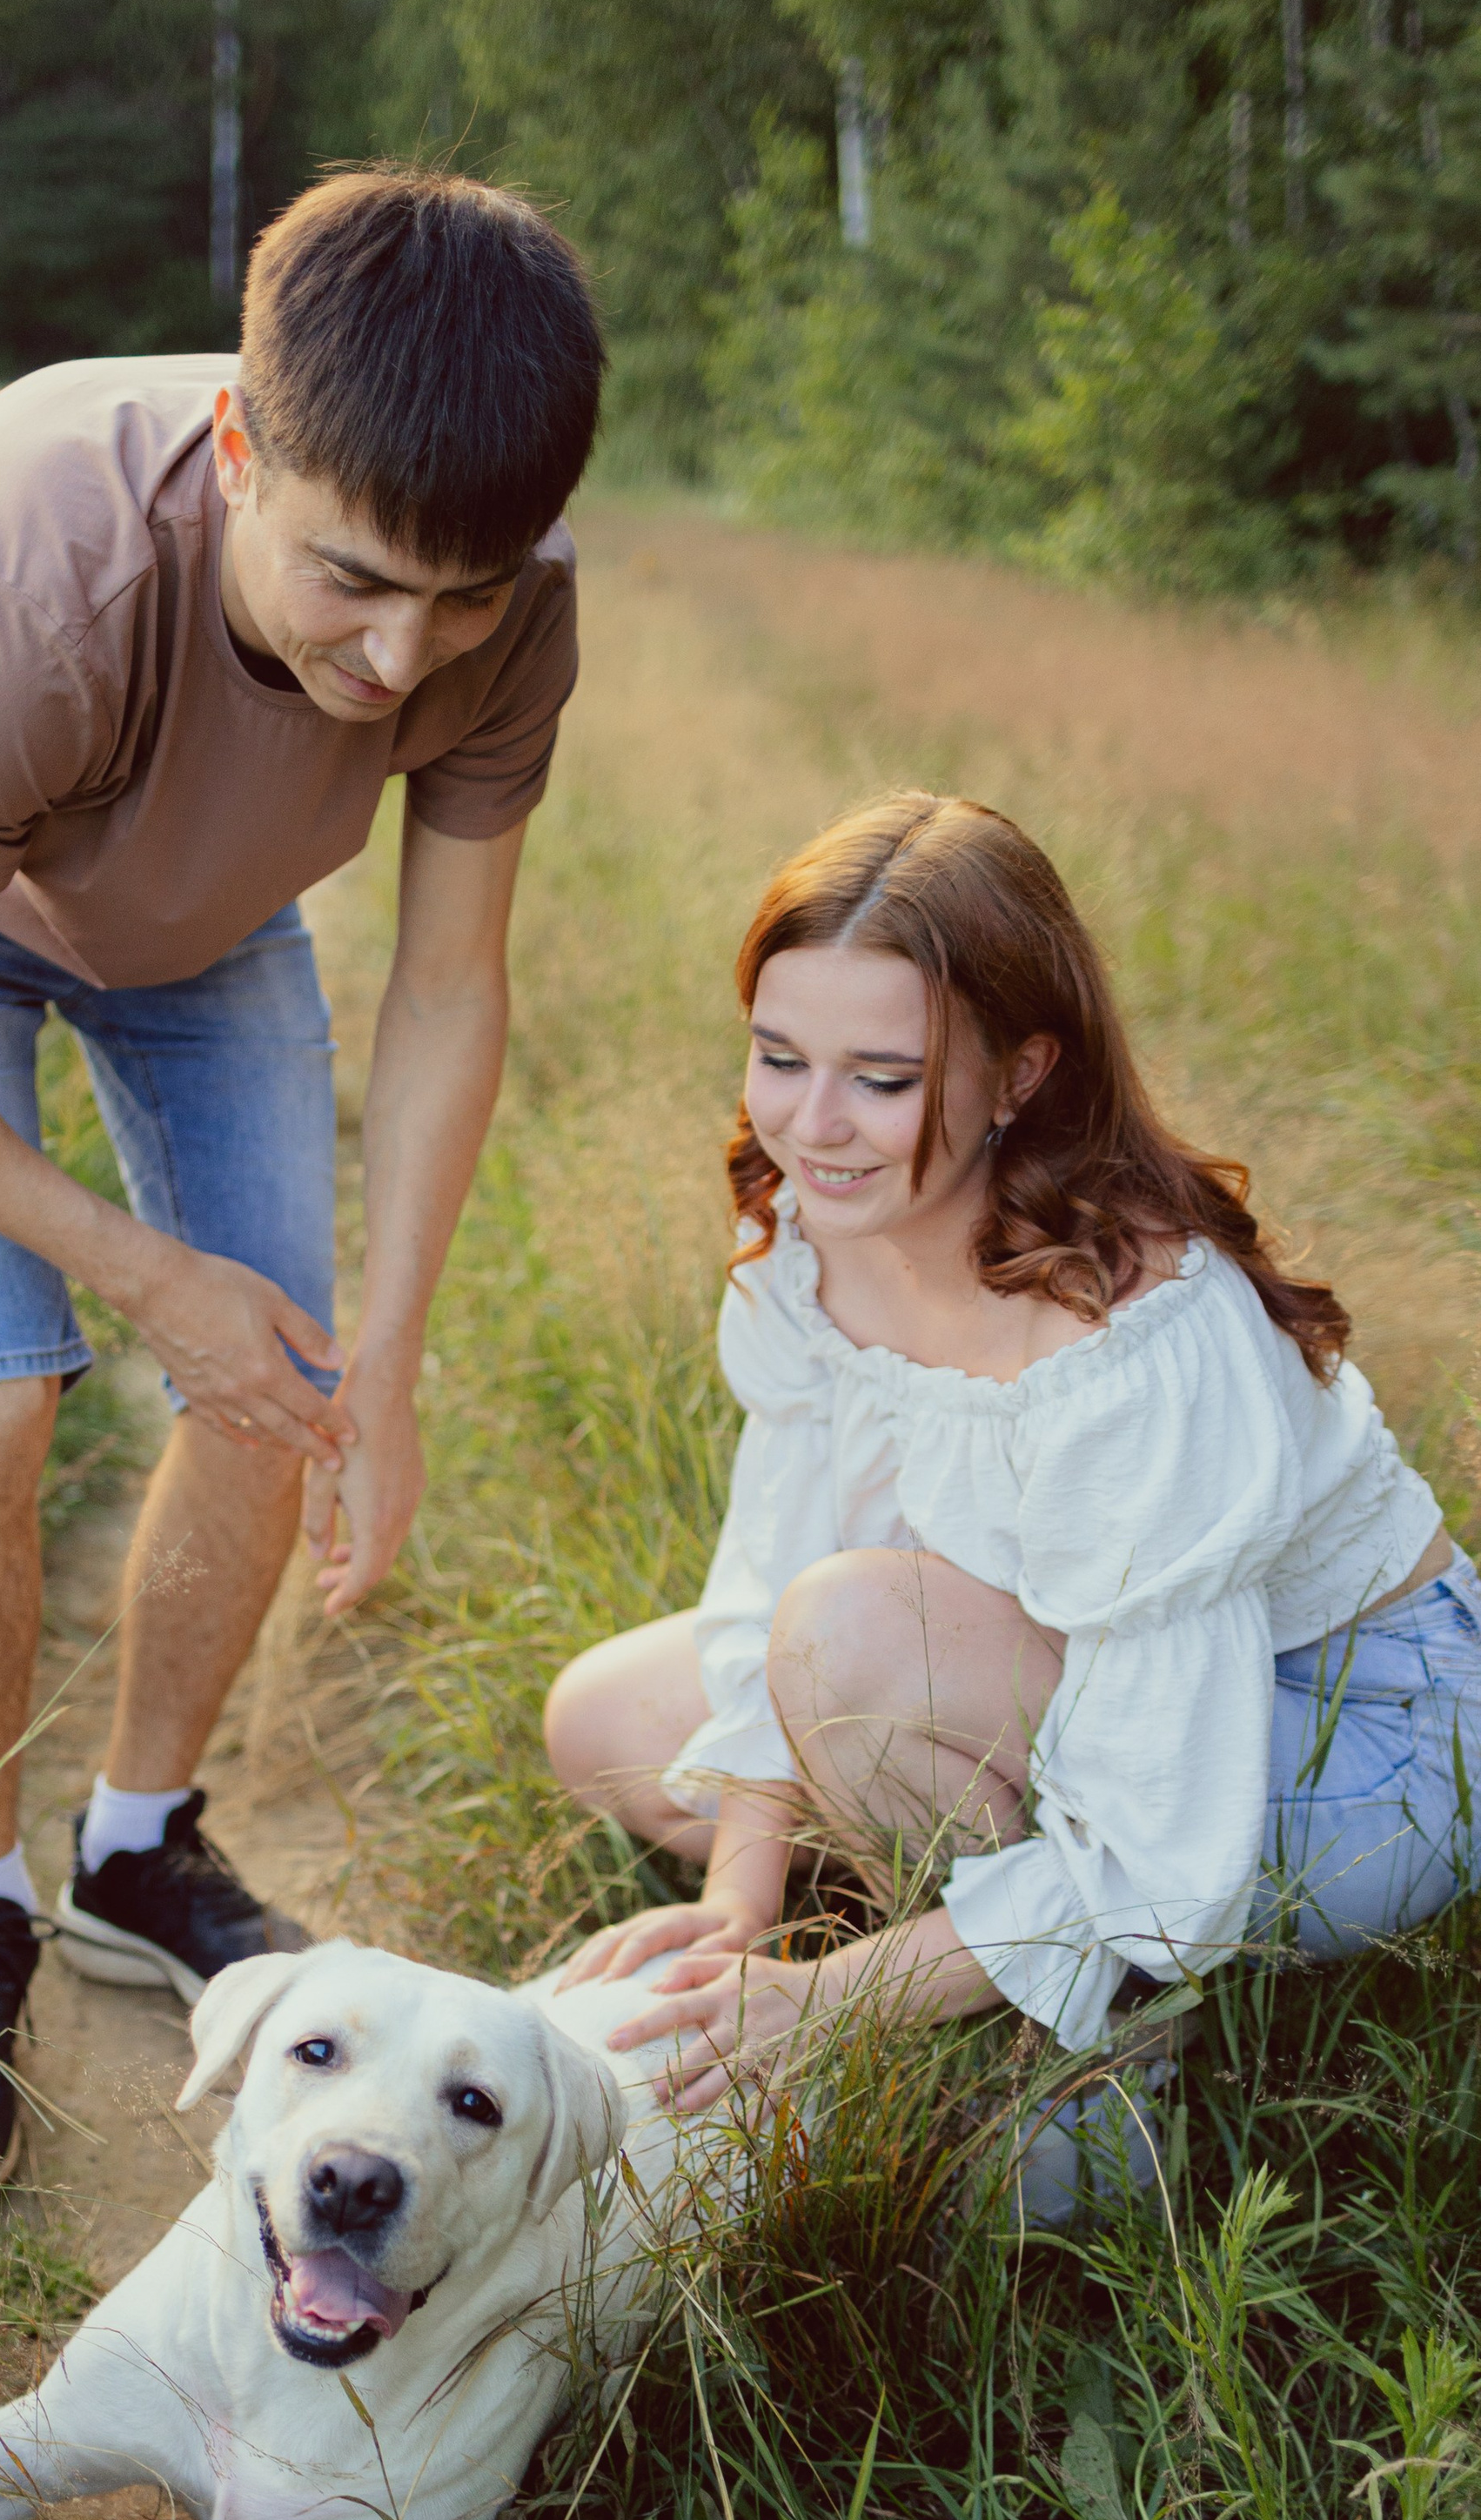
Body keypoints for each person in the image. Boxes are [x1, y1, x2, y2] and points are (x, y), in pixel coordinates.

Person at [0, 167, 604, 2184]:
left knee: (282, 1367)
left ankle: (133, 1853)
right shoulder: (34, 583)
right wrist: (138, 1276)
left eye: (458, 600)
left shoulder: (512, 597)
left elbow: (444, 989)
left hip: (211, 917)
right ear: (240, 446)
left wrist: (376, 1360)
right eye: (350, 582)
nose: (401, 661)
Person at [546, 790, 1479, 2128]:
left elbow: (1165, 1853)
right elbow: (774, 1559)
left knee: (851, 1637)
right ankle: (951, 1901)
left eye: (882, 1079)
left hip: (1353, 1734)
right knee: (607, 1718)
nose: (812, 1127)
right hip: (1065, 1660)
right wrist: (736, 1905)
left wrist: (831, 1996)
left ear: (1020, 1076)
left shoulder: (1136, 1337)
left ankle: (1096, 2074)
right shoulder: (811, 1239)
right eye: (778, 1056)